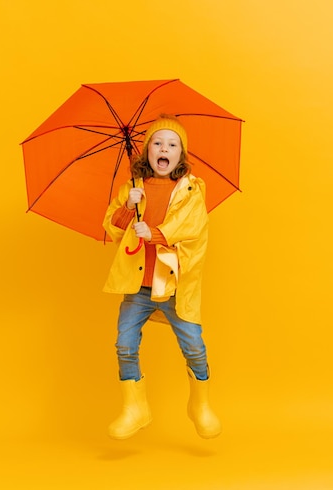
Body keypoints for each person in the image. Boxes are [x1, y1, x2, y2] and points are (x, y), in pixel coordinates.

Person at [102, 114, 221, 440]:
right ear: (146, 151)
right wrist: (128, 207)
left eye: (172, 144)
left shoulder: (191, 190)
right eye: (157, 142)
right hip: (137, 284)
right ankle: (135, 409)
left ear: (181, 155)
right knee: (124, 345)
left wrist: (153, 232)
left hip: (173, 284)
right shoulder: (133, 189)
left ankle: (200, 405)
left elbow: (192, 227)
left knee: (194, 346)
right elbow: (111, 228)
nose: (163, 148)